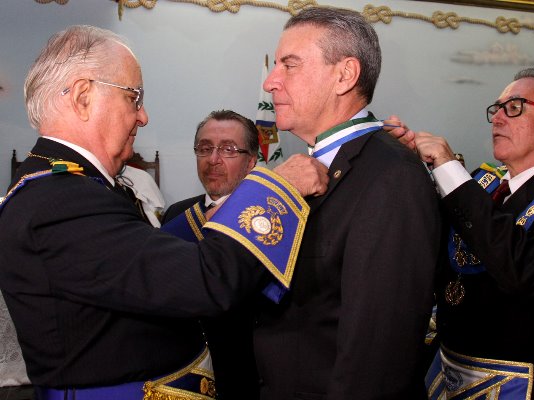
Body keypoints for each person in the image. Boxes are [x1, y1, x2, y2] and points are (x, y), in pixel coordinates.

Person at [0, 25, 328, 400]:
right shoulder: (61, 199)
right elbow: (205, 280)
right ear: (83, 97)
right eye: (134, 98)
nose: (143, 117)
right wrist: (277, 188)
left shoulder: (64, 186)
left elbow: (141, 263)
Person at [254, 7, 442, 399]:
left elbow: (378, 356)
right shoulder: (314, 166)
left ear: (344, 75)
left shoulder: (392, 176)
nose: (271, 82)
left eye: (289, 65)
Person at [388, 68, 534, 399]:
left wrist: (448, 168)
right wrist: (405, 162)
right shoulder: (482, 183)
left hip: (522, 384)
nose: (497, 119)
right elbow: (421, 244)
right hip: (445, 373)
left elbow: (527, 269)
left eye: (514, 107)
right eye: (496, 109)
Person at [162, 109, 260, 400]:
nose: (213, 159)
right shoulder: (177, 214)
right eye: (205, 148)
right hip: (183, 369)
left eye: (229, 149)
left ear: (251, 161)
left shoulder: (266, 217)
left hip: (247, 372)